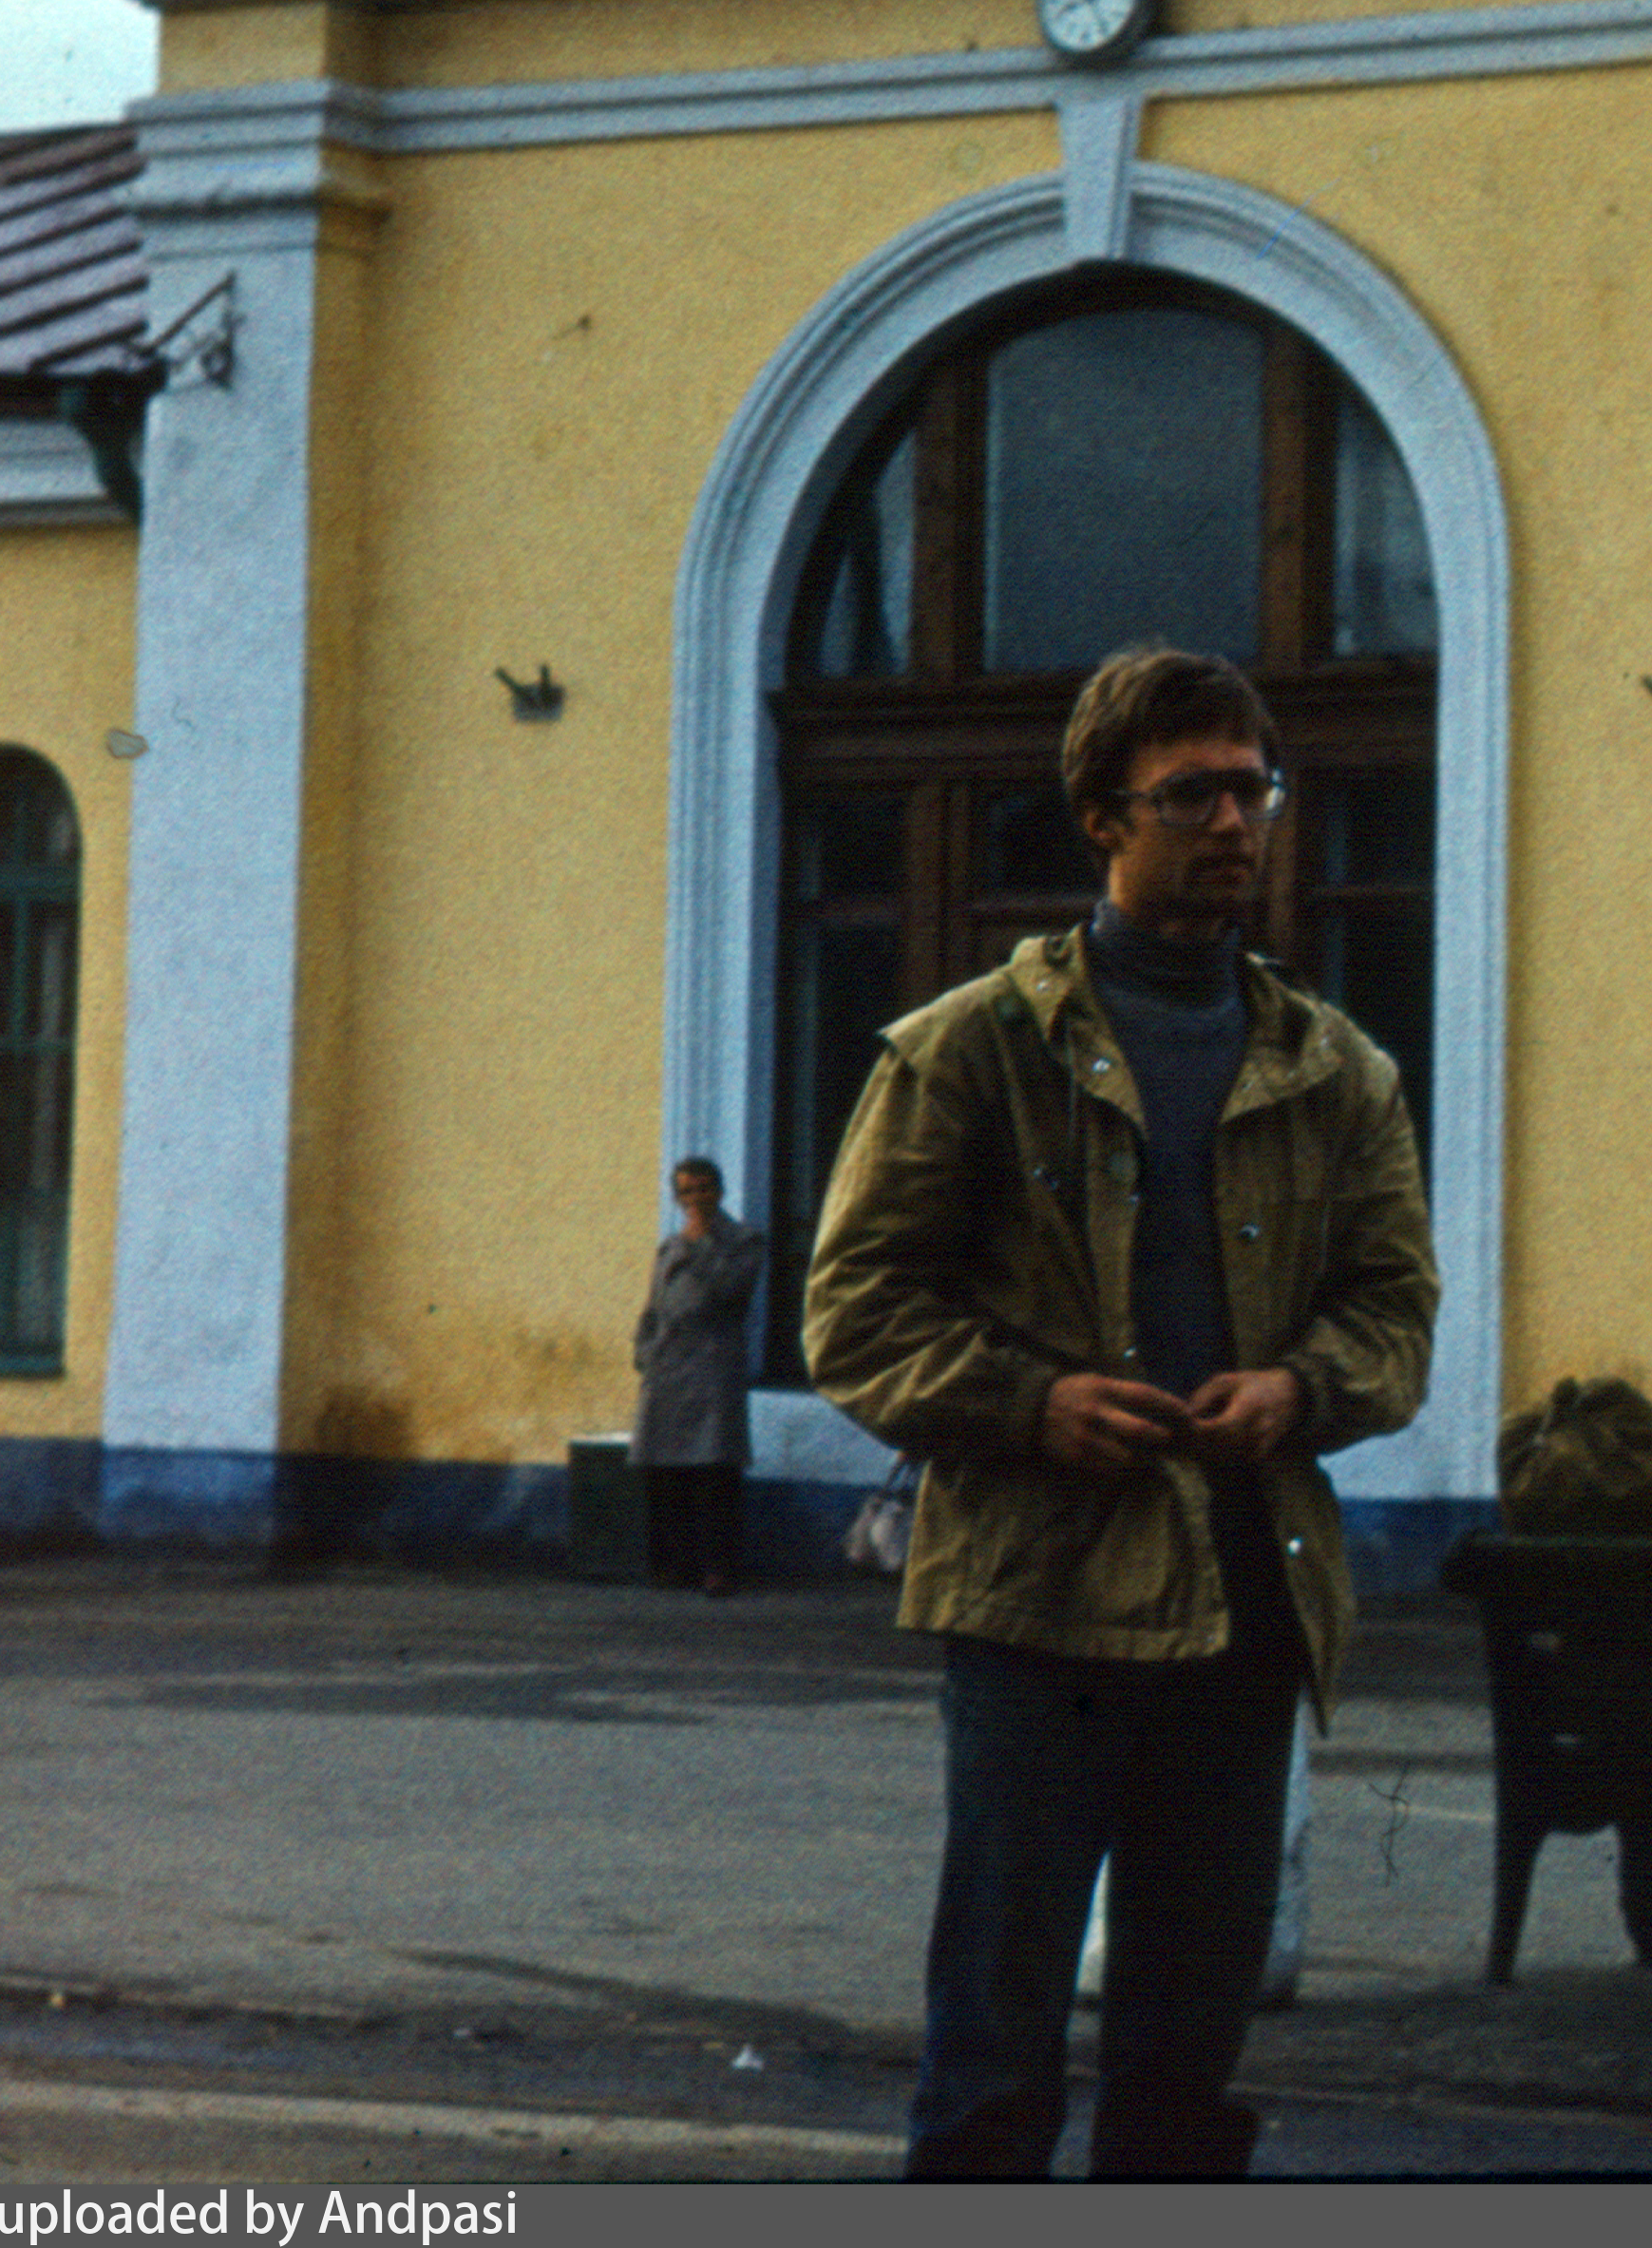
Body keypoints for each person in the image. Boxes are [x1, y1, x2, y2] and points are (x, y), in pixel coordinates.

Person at [805, 643, 1437, 2181]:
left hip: (1242, 1596)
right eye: (1191, 795)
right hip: (1039, 1603)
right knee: (995, 2046)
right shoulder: (970, 1051)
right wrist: (1032, 1403)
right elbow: (855, 1310)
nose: (1233, 823)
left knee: (1185, 2053)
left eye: (1253, 790)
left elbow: (1394, 1312)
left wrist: (1302, 1389)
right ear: (1101, 817)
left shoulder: (1333, 1067)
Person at [633, 1156, 769, 1595]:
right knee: (664, 1471)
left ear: (720, 1191)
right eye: (687, 1192)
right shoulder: (669, 1247)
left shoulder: (743, 1241)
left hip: (712, 1364)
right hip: (667, 1366)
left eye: (704, 1189)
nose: (696, 1200)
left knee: (713, 1470)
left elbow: (731, 1293)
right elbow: (653, 1305)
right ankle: (672, 1563)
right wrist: (645, 1350)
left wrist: (700, 1246)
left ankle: (719, 1566)